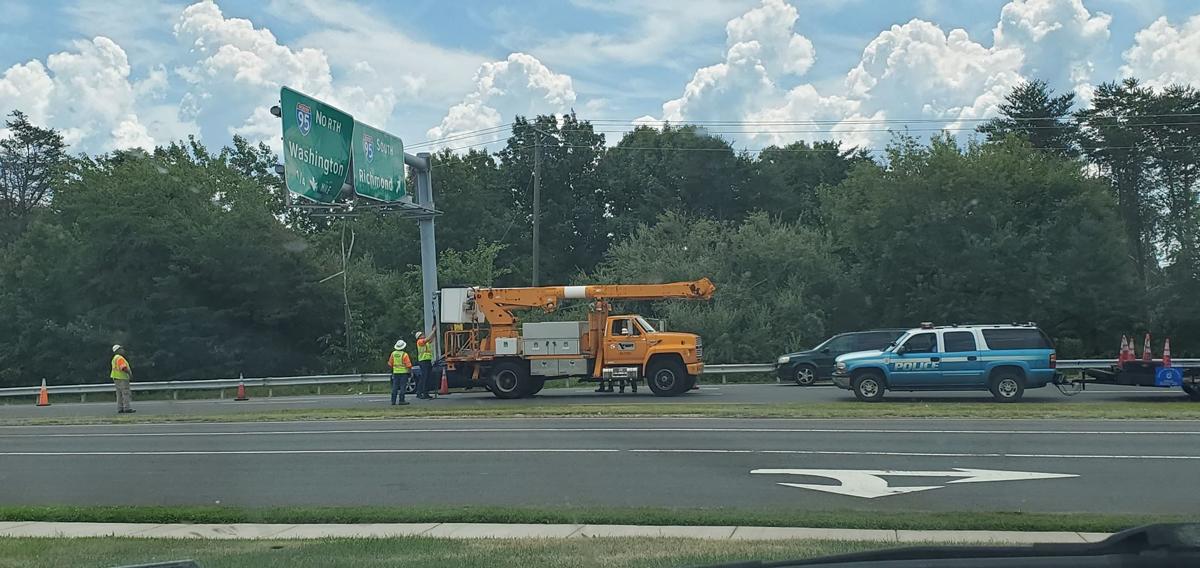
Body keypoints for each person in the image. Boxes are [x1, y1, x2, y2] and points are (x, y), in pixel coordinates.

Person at [110, 345, 135, 414]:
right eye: (121, 349)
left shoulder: (114, 358)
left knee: (119, 394)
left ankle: (120, 408)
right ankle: (127, 408)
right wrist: (129, 373)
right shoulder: (120, 358)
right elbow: (123, 368)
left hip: (116, 378)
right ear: (118, 350)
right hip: (122, 378)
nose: (123, 350)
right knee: (125, 393)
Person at [389, 340, 413, 406]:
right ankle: (401, 400)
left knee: (395, 387)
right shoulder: (404, 355)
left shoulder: (393, 354)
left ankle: (393, 401)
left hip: (395, 372)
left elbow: (390, 364)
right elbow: (408, 365)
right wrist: (410, 372)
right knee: (403, 387)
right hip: (403, 373)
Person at [415, 331, 434, 399]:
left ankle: (425, 393)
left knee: (427, 378)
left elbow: (430, 339)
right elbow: (428, 339)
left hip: (427, 360)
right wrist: (433, 331)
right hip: (423, 361)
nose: (423, 335)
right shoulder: (420, 341)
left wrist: (433, 332)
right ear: (419, 337)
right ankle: (420, 392)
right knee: (424, 377)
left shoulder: (425, 342)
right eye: (422, 334)